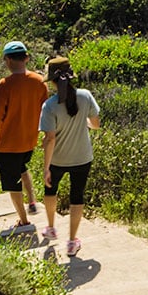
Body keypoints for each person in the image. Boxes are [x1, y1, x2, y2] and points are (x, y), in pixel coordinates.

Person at [0, 40, 48, 233]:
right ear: (26, 57)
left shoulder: (5, 85)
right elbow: (46, 111)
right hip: (29, 140)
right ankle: (33, 200)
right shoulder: (39, 82)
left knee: (13, 183)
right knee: (22, 167)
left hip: (8, 144)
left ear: (7, 60)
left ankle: (23, 220)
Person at [39, 56, 100, 256]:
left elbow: (49, 139)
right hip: (82, 157)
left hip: (57, 159)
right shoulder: (85, 96)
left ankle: (50, 228)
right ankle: (72, 241)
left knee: (50, 191)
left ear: (53, 81)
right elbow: (96, 124)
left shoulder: (50, 106)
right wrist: (85, 124)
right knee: (77, 196)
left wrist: (46, 168)